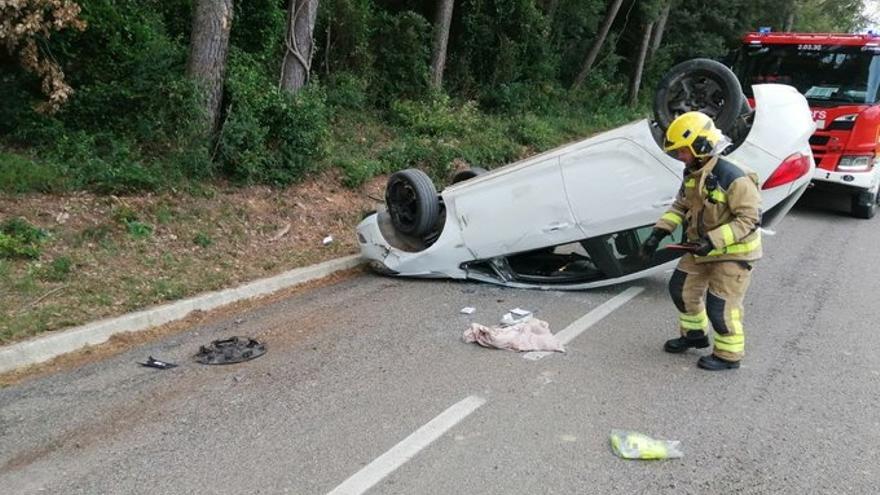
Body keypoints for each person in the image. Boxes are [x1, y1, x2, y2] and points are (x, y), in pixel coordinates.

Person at [641, 111, 762, 371]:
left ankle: (729, 356)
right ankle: (694, 335)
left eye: (682, 151)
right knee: (681, 290)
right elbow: (681, 205)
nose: (680, 157)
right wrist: (658, 232)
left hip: (734, 254)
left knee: (721, 307)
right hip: (701, 248)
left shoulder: (735, 178)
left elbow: (750, 220)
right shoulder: (694, 171)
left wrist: (712, 241)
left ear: (701, 146)